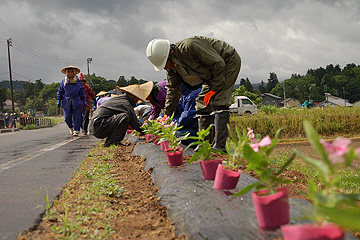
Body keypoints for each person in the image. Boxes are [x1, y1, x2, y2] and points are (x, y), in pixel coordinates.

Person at [146, 36, 241, 152]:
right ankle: (204, 144)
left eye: (165, 64)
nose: (165, 68)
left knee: (219, 100)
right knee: (202, 103)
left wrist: (213, 90)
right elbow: (172, 90)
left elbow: (218, 64)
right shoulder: (172, 68)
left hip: (227, 62)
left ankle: (220, 147)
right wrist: (167, 116)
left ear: (171, 54)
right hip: (212, 73)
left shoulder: (190, 47)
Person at [88, 83, 152, 147]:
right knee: (125, 117)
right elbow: (135, 124)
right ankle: (113, 141)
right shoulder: (126, 103)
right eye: (137, 98)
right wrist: (150, 131)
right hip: (98, 126)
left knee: (124, 117)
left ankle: (111, 140)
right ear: (134, 97)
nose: (137, 101)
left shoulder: (120, 99)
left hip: (97, 125)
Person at [57, 65, 86, 136]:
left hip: (76, 101)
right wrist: (58, 100)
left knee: (77, 117)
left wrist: (84, 99)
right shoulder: (64, 81)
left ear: (74, 73)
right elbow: (60, 91)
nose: (70, 73)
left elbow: (81, 91)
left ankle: (76, 130)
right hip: (66, 101)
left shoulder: (77, 81)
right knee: (67, 117)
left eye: (72, 71)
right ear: (67, 73)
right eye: (69, 71)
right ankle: (71, 127)